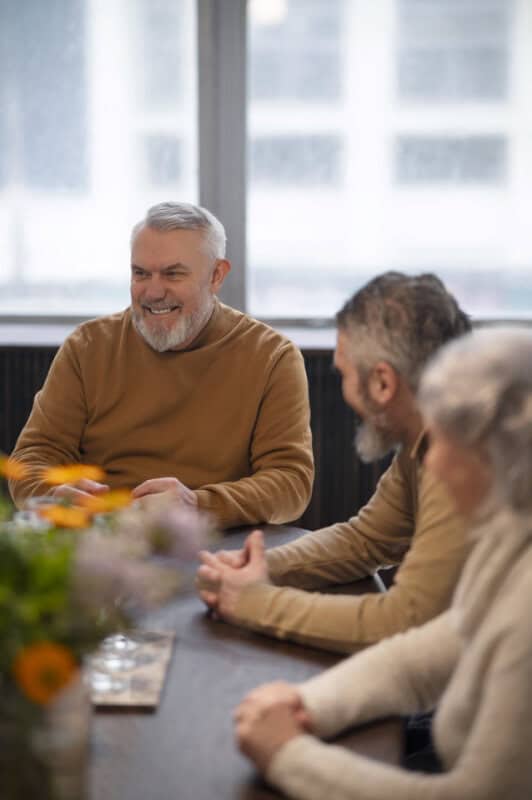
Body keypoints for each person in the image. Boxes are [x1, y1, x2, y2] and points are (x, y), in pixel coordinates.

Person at [233, 327, 532, 800]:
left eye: (445, 445)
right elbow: (428, 654)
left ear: (495, 458)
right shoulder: (511, 535)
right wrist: (307, 703)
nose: (430, 466)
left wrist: (289, 756)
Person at [197, 272, 471, 651]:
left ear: (382, 383)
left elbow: (404, 619)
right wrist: (257, 568)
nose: (343, 391)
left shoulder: (464, 455)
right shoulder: (434, 428)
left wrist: (253, 602)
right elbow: (367, 540)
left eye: (343, 374)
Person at [8, 202, 314, 529]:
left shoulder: (272, 356)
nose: (153, 291)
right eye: (141, 273)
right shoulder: (88, 347)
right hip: (98, 543)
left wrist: (198, 505)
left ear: (216, 275)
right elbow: (32, 459)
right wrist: (54, 496)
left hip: (216, 544)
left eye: (173, 273)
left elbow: (291, 483)